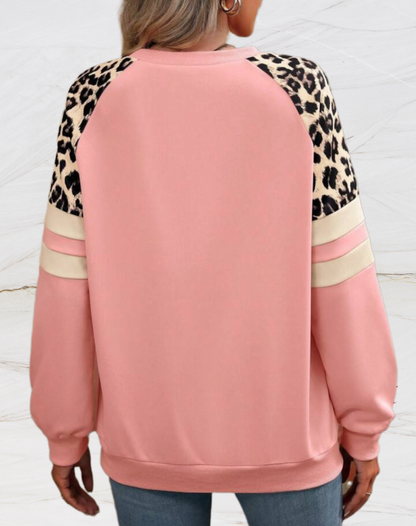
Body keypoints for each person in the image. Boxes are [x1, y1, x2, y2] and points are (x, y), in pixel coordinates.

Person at [28, 0, 398, 524]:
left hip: (145, 439)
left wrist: (64, 434)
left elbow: (66, 284)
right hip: (289, 438)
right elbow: (341, 276)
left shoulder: (93, 96)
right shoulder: (297, 89)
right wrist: (364, 428)